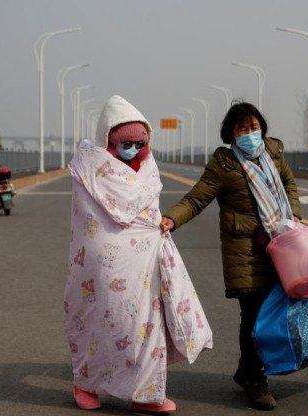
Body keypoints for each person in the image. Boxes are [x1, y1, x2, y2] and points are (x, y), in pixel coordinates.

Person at [64, 95, 213, 413]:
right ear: (108, 140)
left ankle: (145, 393)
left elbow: (148, 214)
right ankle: (86, 383)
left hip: (142, 262)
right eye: (124, 143)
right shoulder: (87, 167)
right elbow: (86, 218)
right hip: (98, 267)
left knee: (144, 326)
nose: (132, 149)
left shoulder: (148, 167)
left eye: (138, 143)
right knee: (96, 322)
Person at [160, 102, 301, 411]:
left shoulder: (274, 154)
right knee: (252, 314)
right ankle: (254, 379)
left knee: (277, 311)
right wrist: (171, 219)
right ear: (231, 134)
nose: (250, 134)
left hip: (284, 245)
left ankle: (247, 368)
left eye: (254, 127)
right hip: (246, 251)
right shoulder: (224, 165)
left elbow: (288, 183)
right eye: (242, 129)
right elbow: (197, 198)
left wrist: (296, 216)